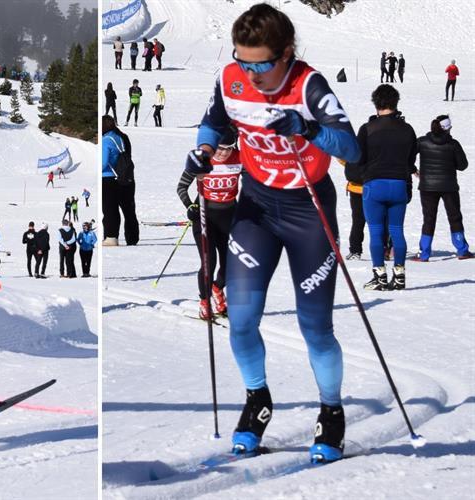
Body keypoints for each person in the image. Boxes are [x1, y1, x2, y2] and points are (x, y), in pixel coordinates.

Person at [190, 3, 361, 462]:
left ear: (286, 53)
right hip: (257, 207)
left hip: (309, 211)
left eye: (262, 64)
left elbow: (351, 147)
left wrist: (308, 129)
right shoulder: (231, 78)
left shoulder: (309, 85)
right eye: (244, 61)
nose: (253, 74)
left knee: (315, 327)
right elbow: (215, 121)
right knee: (241, 319)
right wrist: (204, 150)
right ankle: (257, 400)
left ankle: (331, 410)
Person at [355, 84, 417, 291]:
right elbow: (411, 160)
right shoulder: (407, 129)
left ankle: (379, 276)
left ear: (376, 104)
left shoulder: (367, 129)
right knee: (397, 230)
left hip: (374, 183)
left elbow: (358, 158)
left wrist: (363, 174)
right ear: (396, 103)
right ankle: (399, 274)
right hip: (399, 183)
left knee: (375, 231)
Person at [178, 125, 241, 319]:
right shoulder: (201, 160)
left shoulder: (240, 158)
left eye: (228, 148)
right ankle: (205, 302)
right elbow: (181, 187)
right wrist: (190, 206)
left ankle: (217, 288)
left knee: (231, 263)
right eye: (220, 148)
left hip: (229, 214)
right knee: (208, 262)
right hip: (205, 216)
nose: (223, 153)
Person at [412, 115, 472, 261]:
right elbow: (463, 165)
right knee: (455, 217)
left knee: (429, 219)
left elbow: (407, 156)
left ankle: (424, 253)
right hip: (449, 186)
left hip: (427, 186)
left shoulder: (422, 141)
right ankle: (462, 250)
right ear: (447, 128)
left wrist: (413, 169)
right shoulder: (453, 144)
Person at [101, 115, 139, 246]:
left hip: (109, 179)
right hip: (126, 177)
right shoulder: (122, 137)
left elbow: (104, 162)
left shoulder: (106, 140)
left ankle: (111, 237)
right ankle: (132, 238)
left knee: (110, 209)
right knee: (129, 210)